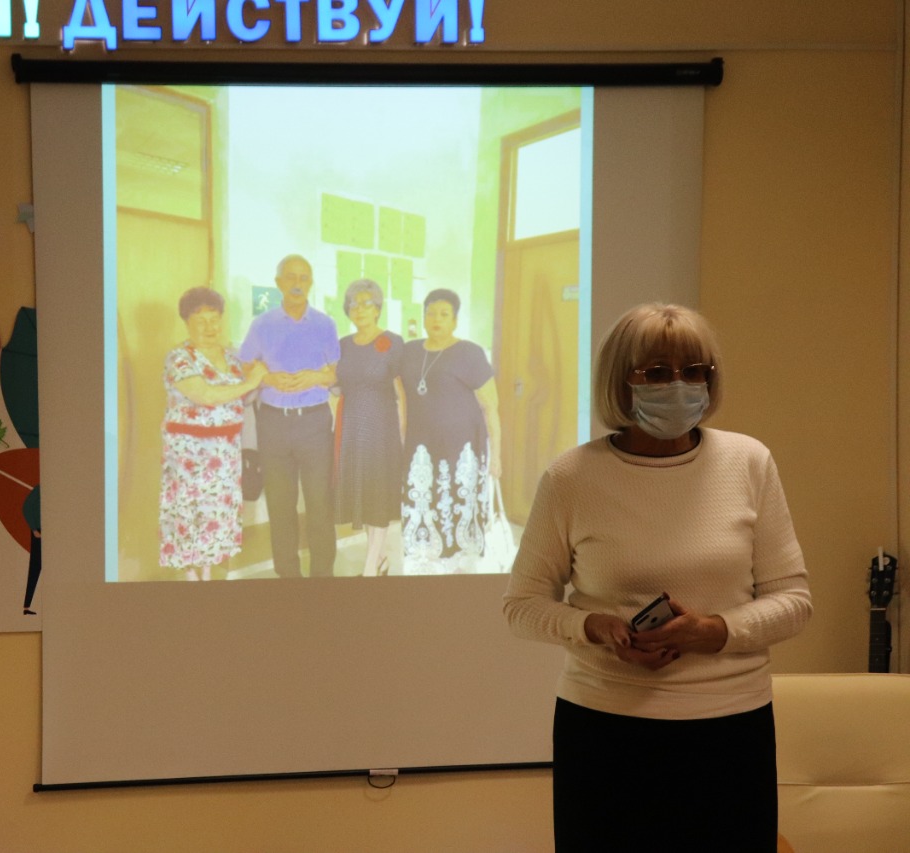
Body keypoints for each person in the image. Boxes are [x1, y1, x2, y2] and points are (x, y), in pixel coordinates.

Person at [502, 303, 812, 853]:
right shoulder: (570, 477)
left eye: (694, 371)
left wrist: (714, 631)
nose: (679, 385)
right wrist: (593, 627)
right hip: (605, 730)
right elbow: (521, 606)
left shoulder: (749, 462)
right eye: (658, 372)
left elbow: (794, 600)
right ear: (620, 381)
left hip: (730, 728)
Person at [239, 255, 340, 578]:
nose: (298, 283)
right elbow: (244, 366)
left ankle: (322, 578)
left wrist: (316, 376)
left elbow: (337, 373)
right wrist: (268, 378)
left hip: (314, 423)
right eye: (291, 277)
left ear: (311, 283)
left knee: (319, 504)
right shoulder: (262, 324)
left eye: (304, 278)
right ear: (279, 282)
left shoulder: (325, 324)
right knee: (280, 506)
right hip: (274, 424)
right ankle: (288, 580)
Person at [160, 287, 267, 581]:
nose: (210, 327)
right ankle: (190, 578)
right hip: (190, 453)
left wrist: (258, 379)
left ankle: (206, 576)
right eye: (201, 320)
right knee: (189, 513)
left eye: (214, 319)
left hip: (225, 452)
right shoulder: (179, 358)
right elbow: (205, 395)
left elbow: (243, 398)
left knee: (215, 516)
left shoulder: (232, 356)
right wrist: (251, 382)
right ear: (187, 322)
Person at [398, 287, 503, 572]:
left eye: (444, 314)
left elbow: (491, 407)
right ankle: (426, 562)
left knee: (459, 503)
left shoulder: (469, 353)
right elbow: (402, 395)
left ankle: (460, 566)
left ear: (455, 320)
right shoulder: (409, 351)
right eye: (430, 313)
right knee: (424, 502)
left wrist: (496, 456)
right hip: (421, 447)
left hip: (462, 448)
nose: (436, 319)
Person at [333, 279, 405, 577]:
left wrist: (405, 435)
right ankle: (381, 558)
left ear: (377, 308)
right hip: (351, 430)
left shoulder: (392, 342)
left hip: (381, 430)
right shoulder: (343, 345)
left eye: (366, 303)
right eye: (353, 304)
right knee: (363, 496)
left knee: (378, 495)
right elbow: (336, 385)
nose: (359, 309)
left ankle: (369, 568)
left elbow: (402, 392)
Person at [22, 484, 42, 612]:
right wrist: (34, 529)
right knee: (35, 567)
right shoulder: (39, 489)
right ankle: (27, 606)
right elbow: (26, 508)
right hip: (39, 532)